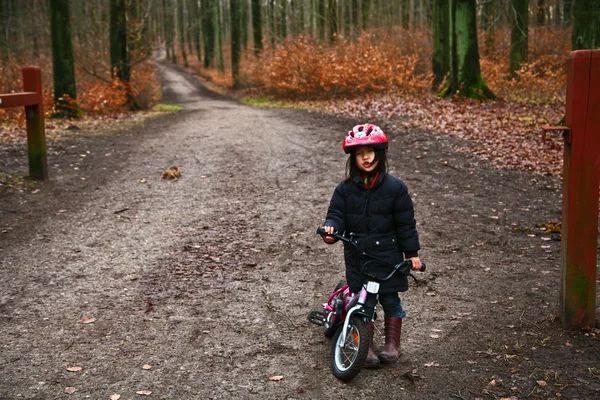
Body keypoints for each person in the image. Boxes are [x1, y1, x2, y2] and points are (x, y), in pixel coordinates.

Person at [320, 123, 421, 369]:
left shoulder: (395, 188)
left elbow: (405, 223)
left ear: (380, 153)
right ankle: (364, 346)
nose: (365, 157)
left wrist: (412, 254)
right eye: (358, 153)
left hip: (388, 255)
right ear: (353, 158)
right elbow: (336, 215)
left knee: (390, 299)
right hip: (358, 255)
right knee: (362, 301)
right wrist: (331, 230)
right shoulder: (344, 190)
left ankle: (392, 344)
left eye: (370, 151)